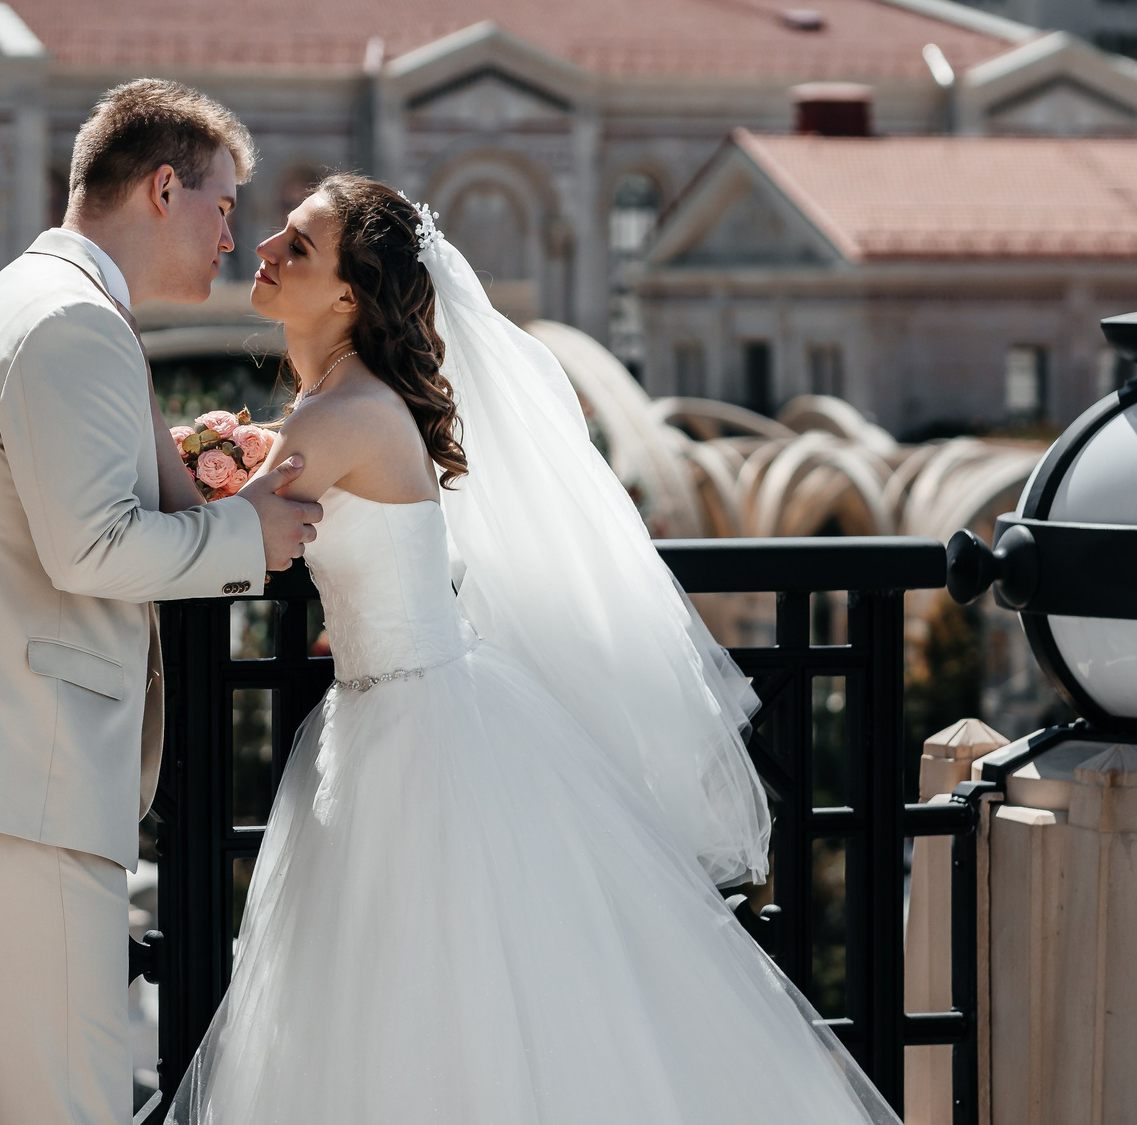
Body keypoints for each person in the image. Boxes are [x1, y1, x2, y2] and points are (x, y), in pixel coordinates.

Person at [168, 174, 898, 1125]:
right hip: (410, 704)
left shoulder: (338, 416)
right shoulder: (344, 401)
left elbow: (220, 528)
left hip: (411, 730)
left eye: (297, 244)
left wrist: (168, 461)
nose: (265, 248)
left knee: (420, 994)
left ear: (349, 293)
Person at [0, 79, 324, 1125]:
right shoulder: (74, 322)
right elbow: (90, 545)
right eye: (222, 205)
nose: (232, 237)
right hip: (5, 778)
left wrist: (190, 474)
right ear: (162, 188)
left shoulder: (19, 299)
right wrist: (248, 540)